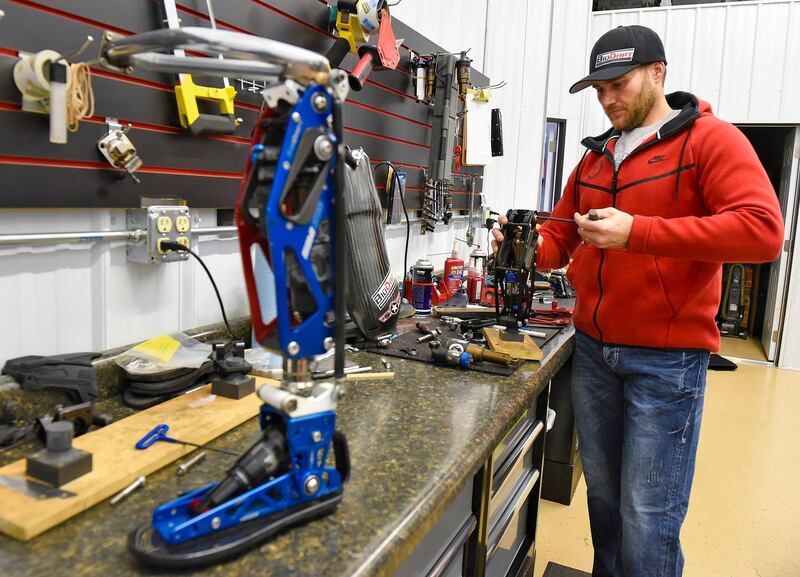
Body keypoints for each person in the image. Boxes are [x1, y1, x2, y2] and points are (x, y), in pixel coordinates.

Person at [492, 25, 783, 577]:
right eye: (598, 90)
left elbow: (762, 232)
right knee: (603, 500)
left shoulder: (709, 140)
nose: (606, 100)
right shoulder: (596, 157)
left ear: (657, 73)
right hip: (595, 354)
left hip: (665, 362)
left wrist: (639, 233)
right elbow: (560, 239)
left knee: (649, 516)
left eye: (617, 85)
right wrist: (525, 247)